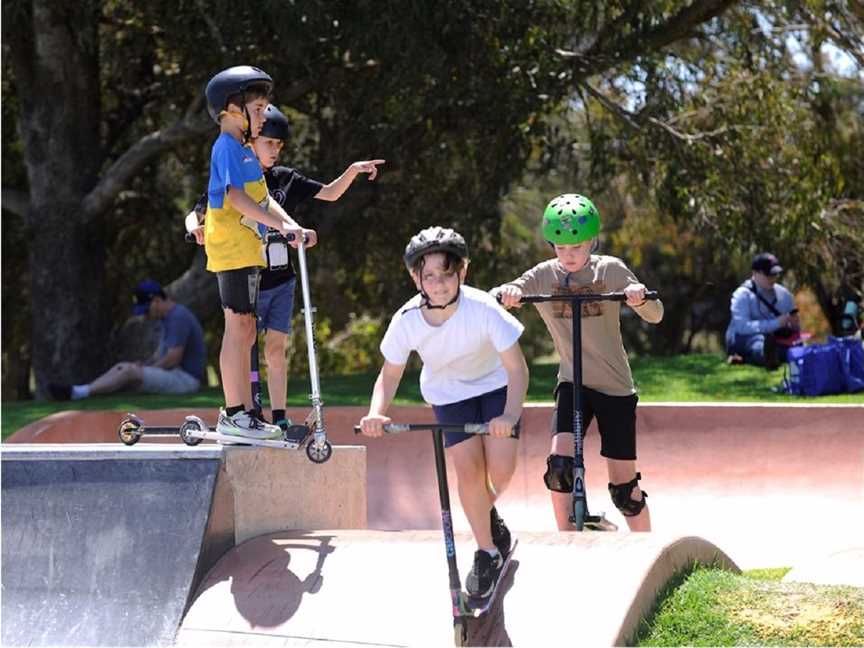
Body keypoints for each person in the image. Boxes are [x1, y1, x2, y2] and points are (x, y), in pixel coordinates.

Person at [189, 104, 384, 433]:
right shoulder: (232, 158)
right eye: (269, 142)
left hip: (277, 278)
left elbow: (306, 197)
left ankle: (271, 415)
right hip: (243, 262)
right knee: (241, 337)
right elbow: (215, 203)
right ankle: (241, 412)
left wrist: (295, 225)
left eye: (280, 145)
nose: (276, 150)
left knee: (269, 346)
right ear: (251, 139)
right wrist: (195, 226)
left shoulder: (278, 177)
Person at [358, 226, 528, 598]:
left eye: (446, 274)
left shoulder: (483, 308)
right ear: (415, 277)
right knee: (468, 471)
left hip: (496, 387)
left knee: (500, 470)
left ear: (462, 272)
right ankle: (487, 552)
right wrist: (376, 413)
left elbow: (518, 369)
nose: (438, 284)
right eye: (428, 275)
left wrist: (510, 416)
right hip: (449, 395)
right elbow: (389, 374)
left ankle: (485, 514)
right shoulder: (406, 320)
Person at [493, 194, 663, 533]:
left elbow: (656, 316)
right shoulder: (543, 276)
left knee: (625, 492)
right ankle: (567, 544)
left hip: (615, 387)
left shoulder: (610, 270)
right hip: (573, 382)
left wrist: (639, 298)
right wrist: (507, 292)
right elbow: (502, 296)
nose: (568, 256)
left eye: (577, 247)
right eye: (560, 248)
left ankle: (649, 550)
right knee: (560, 469)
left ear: (593, 241)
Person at [202, 65, 314, 440]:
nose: (265, 115)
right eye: (259, 107)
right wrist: (279, 226)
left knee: (247, 329)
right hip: (231, 250)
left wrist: (291, 225)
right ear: (231, 109)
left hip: (249, 251)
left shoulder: (247, 153)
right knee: (238, 329)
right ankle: (234, 414)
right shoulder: (227, 148)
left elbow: (263, 198)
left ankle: (246, 412)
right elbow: (235, 197)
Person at [48, 280, 206, 400]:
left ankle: (78, 393)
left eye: (146, 309)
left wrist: (146, 369)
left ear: (157, 300)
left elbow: (173, 359)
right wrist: (145, 366)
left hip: (186, 380)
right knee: (124, 368)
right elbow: (162, 356)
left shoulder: (177, 317)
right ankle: (80, 390)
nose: (145, 315)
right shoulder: (168, 318)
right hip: (177, 375)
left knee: (129, 371)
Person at [724, 252, 799, 369]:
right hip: (744, 337)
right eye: (768, 274)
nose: (772, 278)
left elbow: (794, 325)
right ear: (755, 273)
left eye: (775, 274)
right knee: (758, 343)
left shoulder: (784, 294)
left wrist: (793, 325)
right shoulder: (742, 295)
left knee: (793, 348)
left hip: (776, 338)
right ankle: (766, 356)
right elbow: (742, 327)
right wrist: (776, 323)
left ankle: (748, 359)